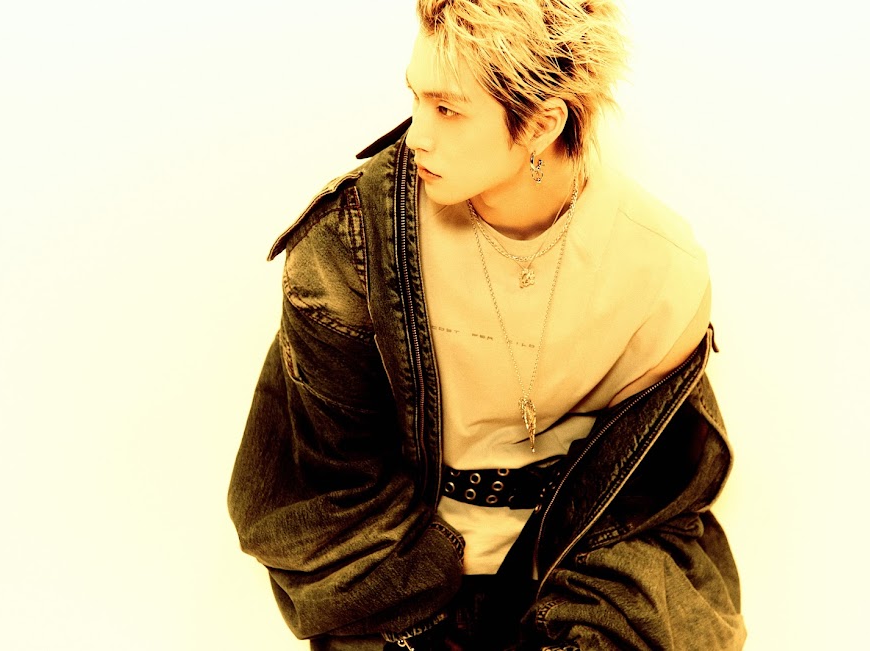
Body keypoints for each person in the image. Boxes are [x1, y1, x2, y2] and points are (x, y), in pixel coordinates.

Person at [229, 1, 746, 649]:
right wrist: (426, 625)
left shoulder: (660, 268)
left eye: (448, 110)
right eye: (416, 99)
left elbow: (651, 496)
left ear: (542, 123)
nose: (416, 136)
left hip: (574, 560)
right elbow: (323, 487)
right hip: (392, 575)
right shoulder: (355, 240)